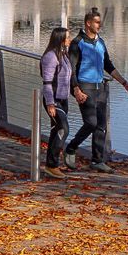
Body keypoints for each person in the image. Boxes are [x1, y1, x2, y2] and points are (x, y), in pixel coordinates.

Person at [65, 7, 128, 173]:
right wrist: (76, 89)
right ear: (88, 23)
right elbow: (71, 69)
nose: (99, 25)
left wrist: (125, 84)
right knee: (91, 123)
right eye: (97, 22)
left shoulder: (100, 42)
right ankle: (71, 147)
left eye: (100, 22)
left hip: (101, 88)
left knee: (101, 126)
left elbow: (108, 65)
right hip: (85, 87)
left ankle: (97, 160)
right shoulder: (77, 43)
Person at [38, 26, 74, 176]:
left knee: (56, 130)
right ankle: (52, 164)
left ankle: (51, 165)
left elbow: (68, 77)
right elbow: (47, 82)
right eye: (67, 37)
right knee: (63, 128)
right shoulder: (50, 57)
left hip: (63, 100)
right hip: (53, 100)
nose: (69, 39)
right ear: (60, 39)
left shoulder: (63, 55)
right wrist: (50, 103)